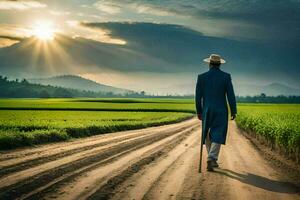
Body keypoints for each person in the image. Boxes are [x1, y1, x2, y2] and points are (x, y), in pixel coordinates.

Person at [195, 54, 237, 171]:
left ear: (209, 64)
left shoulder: (201, 77)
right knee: (218, 133)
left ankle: (211, 157)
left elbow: (198, 97)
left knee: (207, 134)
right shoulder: (226, 77)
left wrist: (199, 111)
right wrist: (233, 110)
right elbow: (231, 95)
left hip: (207, 109)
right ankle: (211, 157)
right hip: (221, 110)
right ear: (219, 64)